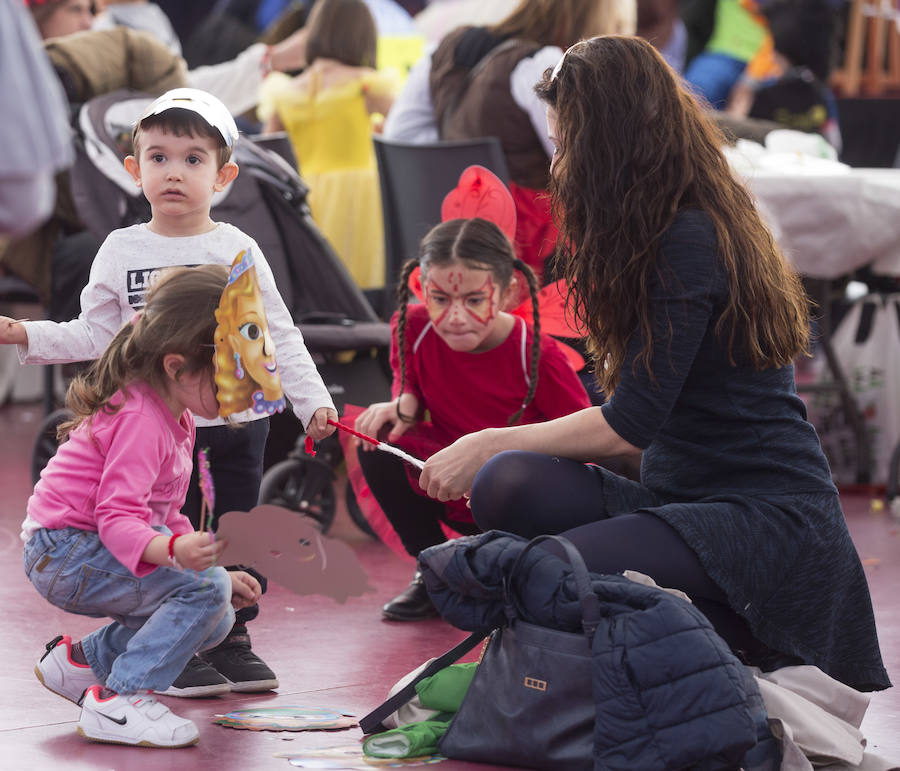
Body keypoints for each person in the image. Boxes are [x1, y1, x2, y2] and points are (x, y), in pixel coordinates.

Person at [417, 36, 890, 692]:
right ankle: (682, 624)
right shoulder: (644, 231)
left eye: (565, 142)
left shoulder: (688, 239)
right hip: (680, 495)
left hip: (762, 518)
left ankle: (741, 639)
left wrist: (490, 436)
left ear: (606, 141)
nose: (559, 162)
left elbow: (627, 425)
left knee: (545, 566)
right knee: (505, 484)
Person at [0, 87, 338, 696]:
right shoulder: (120, 249)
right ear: (134, 170)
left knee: (233, 523)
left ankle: (230, 634)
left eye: (192, 159)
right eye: (157, 158)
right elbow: (94, 332)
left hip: (236, 418)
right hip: (154, 427)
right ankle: (175, 639)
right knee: (163, 524)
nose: (173, 173)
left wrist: (313, 401)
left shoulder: (237, 247)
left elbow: (278, 332)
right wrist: (27, 333)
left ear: (223, 174)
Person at [20, 264, 262, 748]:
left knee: (216, 613)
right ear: (176, 365)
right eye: (227, 370)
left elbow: (164, 506)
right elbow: (115, 517)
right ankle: (121, 700)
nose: (240, 384)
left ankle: (82, 662)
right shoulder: (141, 419)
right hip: (65, 550)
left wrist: (203, 565)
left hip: (81, 546)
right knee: (203, 593)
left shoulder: (177, 412)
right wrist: (176, 553)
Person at [352, 167, 591, 621]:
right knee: (379, 443)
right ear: (424, 289)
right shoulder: (413, 325)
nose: (455, 316)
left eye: (473, 300)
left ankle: (515, 572)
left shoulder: (534, 352)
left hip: (523, 490)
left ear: (504, 293)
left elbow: (581, 437)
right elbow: (409, 379)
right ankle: (433, 569)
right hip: (446, 473)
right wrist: (401, 403)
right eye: (440, 298)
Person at [383, 0, 635, 290]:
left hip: (442, 229)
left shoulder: (444, 50)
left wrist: (457, 165)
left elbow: (399, 136)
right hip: (525, 246)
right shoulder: (544, 64)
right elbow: (582, 162)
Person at [258, 0, 398, 292]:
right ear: (363, 34)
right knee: (362, 284)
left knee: (319, 285)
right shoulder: (366, 84)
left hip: (302, 195)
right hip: (361, 195)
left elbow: (265, 150)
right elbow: (406, 131)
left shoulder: (284, 90)